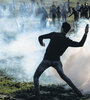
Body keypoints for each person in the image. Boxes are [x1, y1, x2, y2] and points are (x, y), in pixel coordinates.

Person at [33, 22, 89, 100]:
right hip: (56, 61)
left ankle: (37, 96)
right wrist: (85, 33)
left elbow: (40, 37)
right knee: (64, 77)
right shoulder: (67, 40)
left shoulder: (54, 34)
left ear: (62, 28)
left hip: (47, 60)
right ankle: (79, 93)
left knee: (36, 77)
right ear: (67, 31)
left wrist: (41, 43)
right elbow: (80, 44)